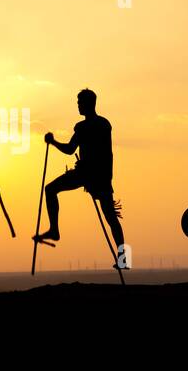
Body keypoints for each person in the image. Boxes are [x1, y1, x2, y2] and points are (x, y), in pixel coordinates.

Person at [33, 88, 126, 266]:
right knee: (111, 219)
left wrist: (52, 142)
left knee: (50, 189)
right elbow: (108, 154)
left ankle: (54, 230)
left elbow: (69, 150)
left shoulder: (84, 127)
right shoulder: (105, 124)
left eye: (79, 102)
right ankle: (124, 259)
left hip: (87, 174)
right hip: (102, 176)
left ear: (87, 104)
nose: (77, 105)